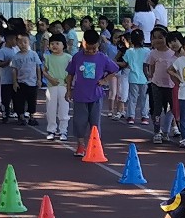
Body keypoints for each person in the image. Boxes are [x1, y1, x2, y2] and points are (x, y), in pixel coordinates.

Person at [65, 29, 119, 158]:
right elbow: (70, 74)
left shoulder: (102, 58)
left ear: (98, 45)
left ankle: (94, 145)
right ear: (83, 43)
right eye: (88, 48)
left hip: (96, 95)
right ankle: (80, 145)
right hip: (80, 95)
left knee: (95, 122)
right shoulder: (77, 57)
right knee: (79, 122)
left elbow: (114, 70)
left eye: (94, 49)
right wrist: (69, 90)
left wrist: (104, 80)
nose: (90, 51)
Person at [145, 30, 178, 143]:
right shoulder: (153, 53)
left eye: (160, 37)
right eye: (154, 38)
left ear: (166, 38)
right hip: (157, 85)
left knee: (173, 109)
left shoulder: (173, 53)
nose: (157, 40)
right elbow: (152, 67)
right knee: (157, 109)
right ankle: (157, 132)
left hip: (171, 85)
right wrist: (152, 78)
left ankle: (167, 131)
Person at [42, 33, 72, 141]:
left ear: (63, 45)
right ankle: (51, 130)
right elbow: (44, 71)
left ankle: (63, 131)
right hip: (51, 87)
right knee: (51, 109)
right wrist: (50, 79)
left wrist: (68, 81)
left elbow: (71, 72)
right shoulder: (48, 57)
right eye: (52, 44)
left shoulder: (68, 57)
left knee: (64, 109)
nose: (54, 46)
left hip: (64, 87)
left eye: (57, 43)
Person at [8, 32, 42, 126]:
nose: (23, 45)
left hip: (32, 82)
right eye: (20, 43)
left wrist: (39, 79)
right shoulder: (16, 56)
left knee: (32, 100)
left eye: (25, 42)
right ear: (17, 44)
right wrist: (15, 82)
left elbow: (38, 67)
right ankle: (21, 117)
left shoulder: (33, 54)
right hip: (21, 82)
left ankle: (32, 116)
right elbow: (14, 70)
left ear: (29, 42)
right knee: (20, 100)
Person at [122, 30, 150, 125]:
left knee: (132, 98)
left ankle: (131, 116)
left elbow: (124, 64)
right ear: (143, 39)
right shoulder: (147, 51)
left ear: (132, 40)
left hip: (133, 77)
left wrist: (114, 62)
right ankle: (144, 116)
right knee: (144, 98)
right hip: (145, 78)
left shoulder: (129, 51)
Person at [0, 28, 20, 123]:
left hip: (15, 79)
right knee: (6, 99)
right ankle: (5, 114)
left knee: (16, 98)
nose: (16, 42)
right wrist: (8, 62)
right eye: (15, 39)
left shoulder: (15, 50)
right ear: (9, 40)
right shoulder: (2, 51)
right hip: (6, 80)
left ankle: (18, 113)